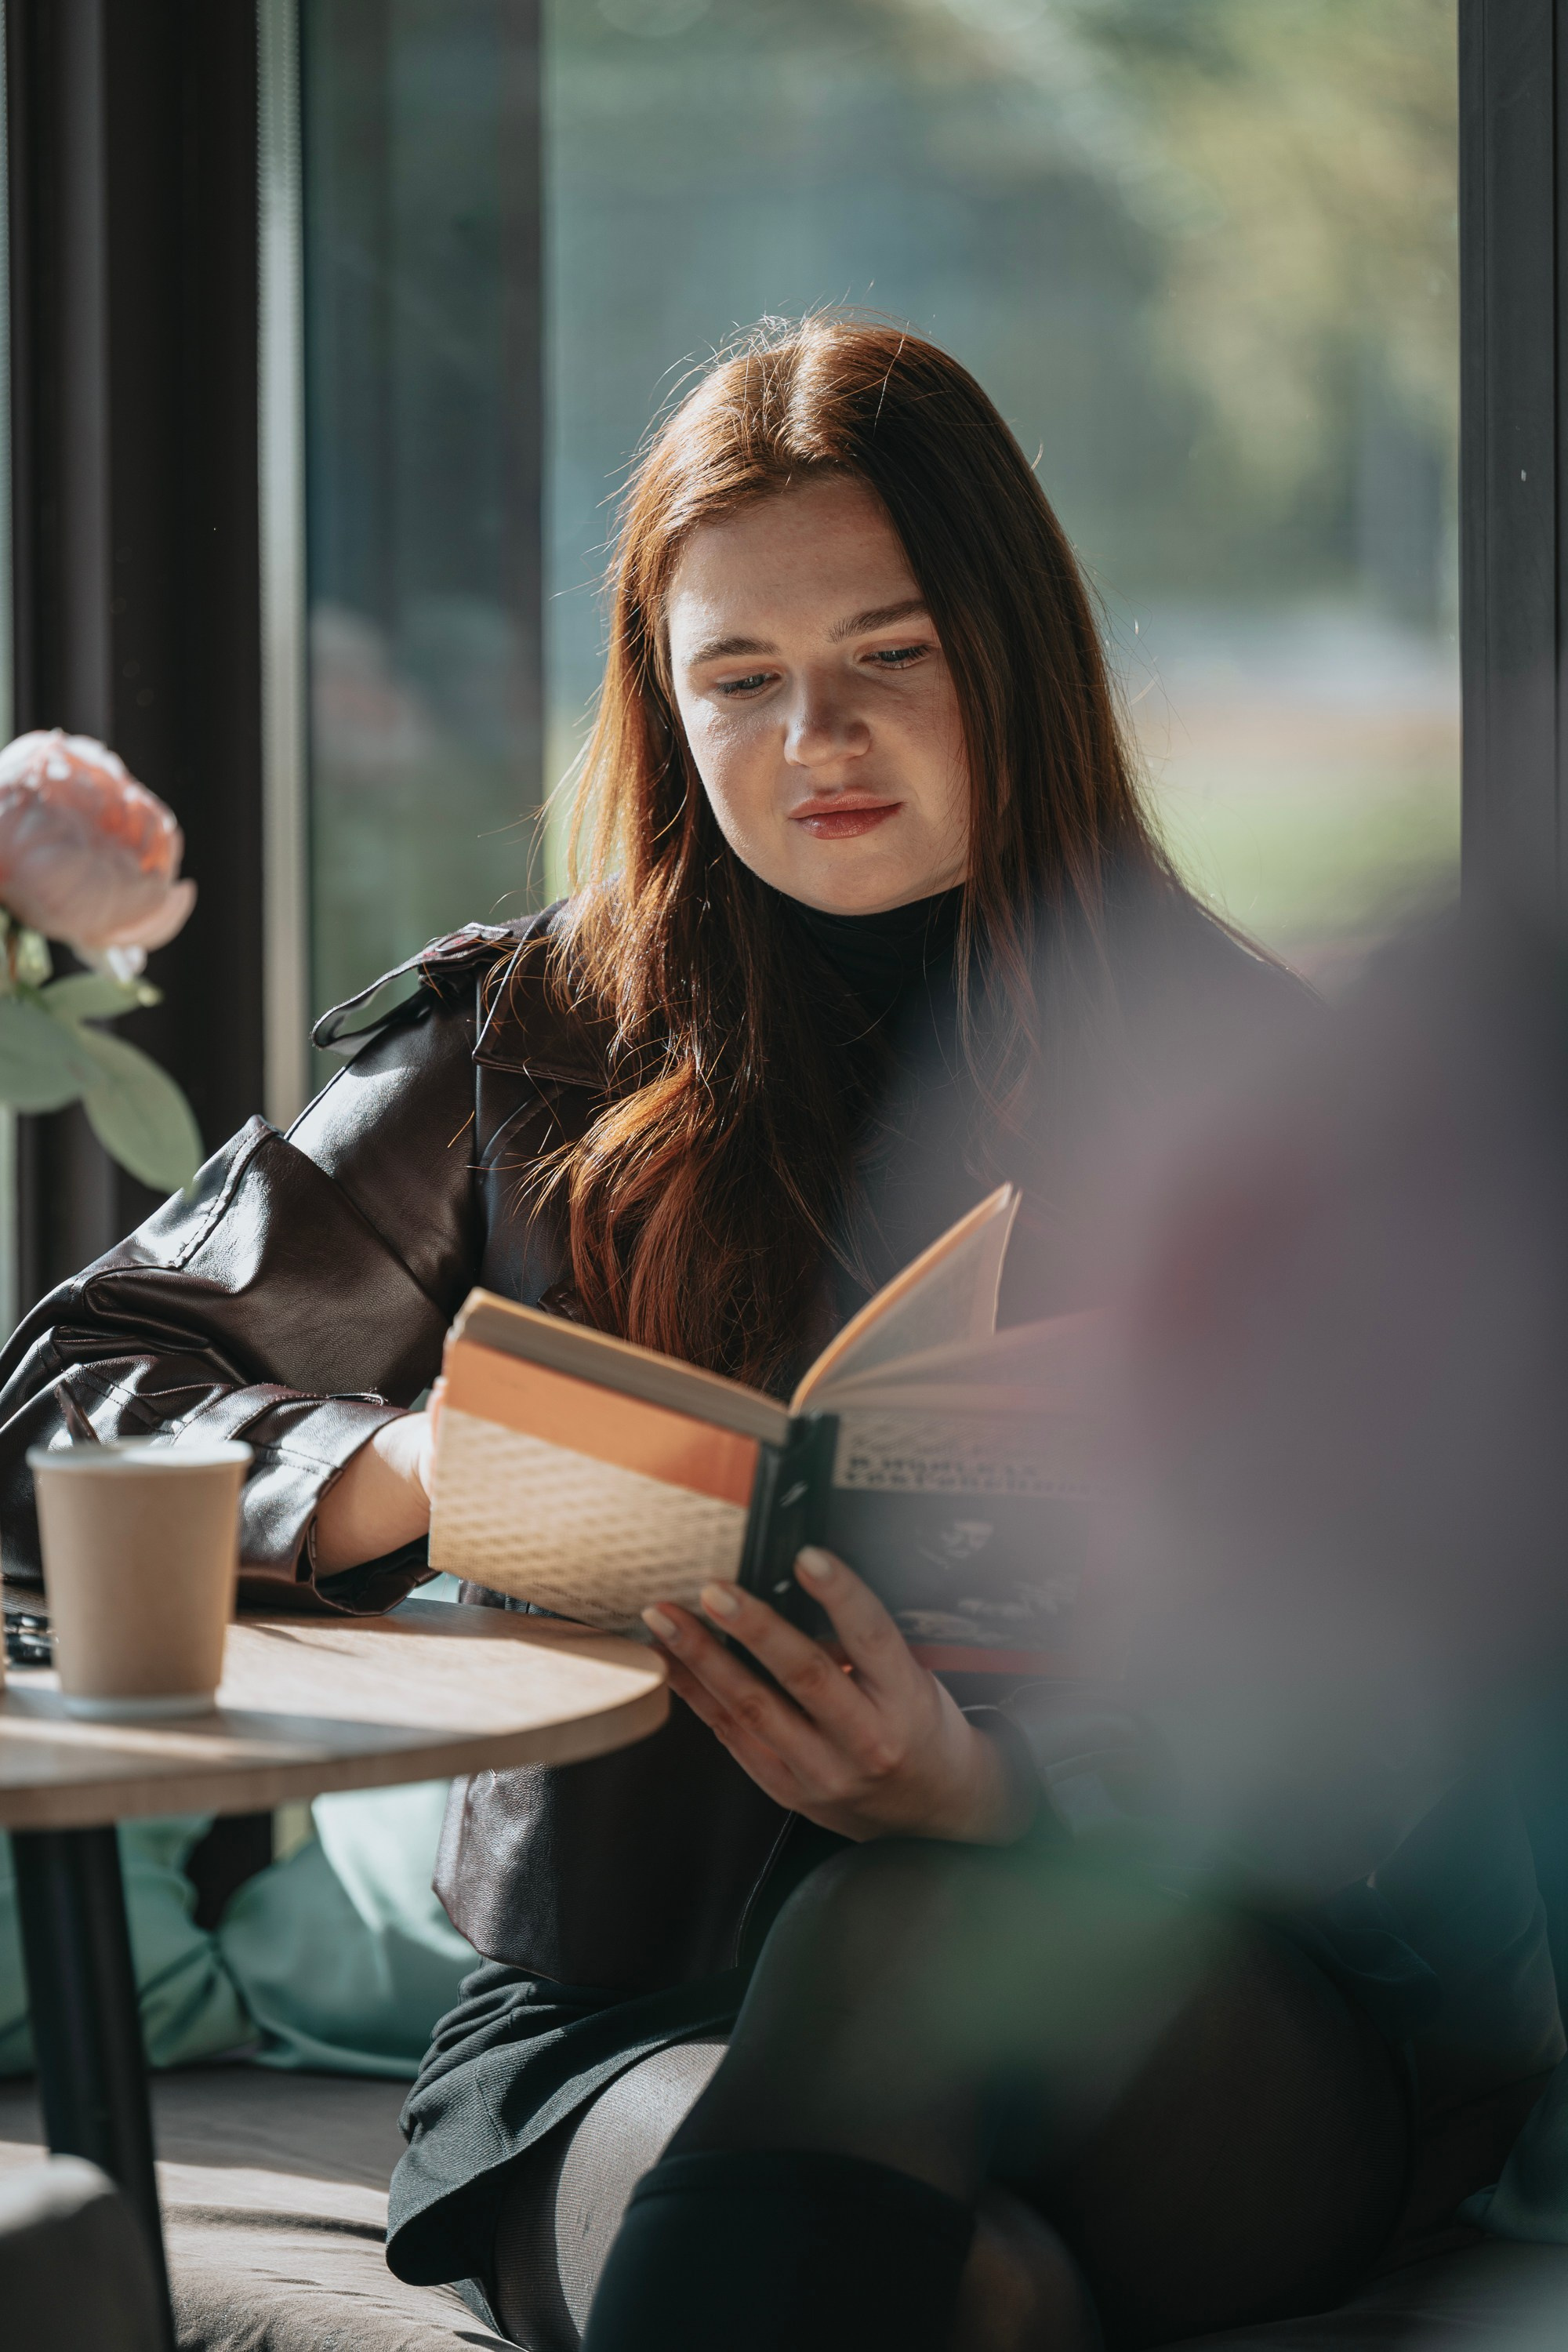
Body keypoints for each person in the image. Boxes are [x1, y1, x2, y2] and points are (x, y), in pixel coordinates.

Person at [0, 319, 1554, 2352]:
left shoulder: (1241, 1086)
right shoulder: (532, 1041)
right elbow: (74, 1387)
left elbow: (1418, 1709)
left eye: (889, 656)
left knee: (904, 1920)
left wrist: (1003, 1804)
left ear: (1011, 654)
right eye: (738, 677)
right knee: (969, 2303)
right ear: (663, 699)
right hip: (633, 2012)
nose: (815, 734)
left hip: (1179, 1984)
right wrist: (418, 1467)